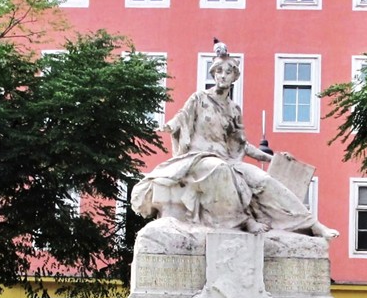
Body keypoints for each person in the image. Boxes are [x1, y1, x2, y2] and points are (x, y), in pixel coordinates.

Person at [130, 47, 338, 239]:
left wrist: (273, 158)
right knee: (219, 169)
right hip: (198, 158)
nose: (223, 75)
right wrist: (170, 125)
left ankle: (312, 223)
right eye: (219, 71)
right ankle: (244, 220)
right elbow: (182, 117)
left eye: (228, 71)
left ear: (234, 77)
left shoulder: (233, 109)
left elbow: (242, 144)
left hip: (227, 158)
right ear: (213, 74)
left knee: (263, 179)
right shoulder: (200, 98)